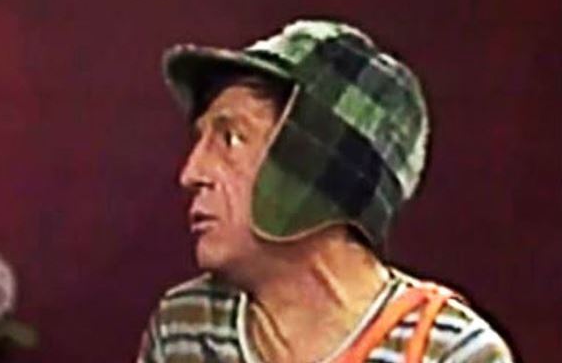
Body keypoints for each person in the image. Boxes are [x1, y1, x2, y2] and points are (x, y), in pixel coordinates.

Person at [137, 20, 513, 363]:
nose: (191, 174)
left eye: (231, 138)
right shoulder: (183, 330)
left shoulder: (453, 353)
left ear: (316, 166)